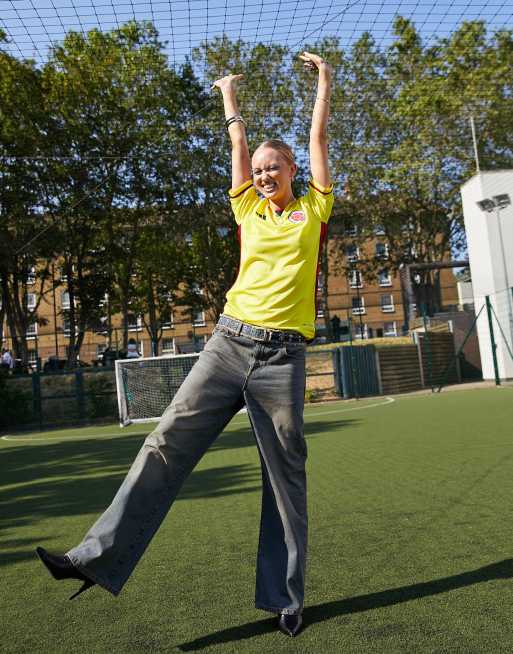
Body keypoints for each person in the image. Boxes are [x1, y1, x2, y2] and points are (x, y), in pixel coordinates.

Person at [36, 51, 334, 638]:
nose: (263, 173)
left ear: (294, 169)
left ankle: (287, 598)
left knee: (285, 481)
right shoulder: (246, 204)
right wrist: (228, 97)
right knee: (164, 441)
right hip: (228, 345)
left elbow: (319, 133)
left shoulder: (314, 209)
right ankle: (90, 560)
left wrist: (325, 80)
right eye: (258, 168)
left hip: (282, 361)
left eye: (275, 166)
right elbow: (236, 149)